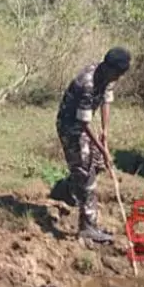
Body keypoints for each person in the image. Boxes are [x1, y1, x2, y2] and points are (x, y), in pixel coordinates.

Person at [55, 48, 132, 244]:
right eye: (118, 74)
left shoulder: (107, 76)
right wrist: (104, 149)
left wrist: (105, 132)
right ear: (109, 68)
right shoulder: (87, 84)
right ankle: (87, 226)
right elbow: (83, 124)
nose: (118, 78)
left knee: (96, 162)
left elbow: (106, 99)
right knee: (87, 174)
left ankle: (67, 189)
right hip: (71, 127)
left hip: (84, 124)